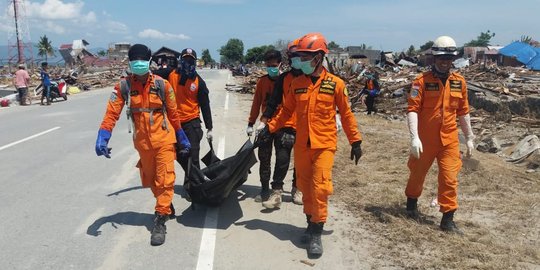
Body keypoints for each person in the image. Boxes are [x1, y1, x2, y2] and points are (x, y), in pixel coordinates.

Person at [258, 33, 363, 257]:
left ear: (319, 57)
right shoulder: (297, 84)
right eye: (300, 57)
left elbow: (346, 115)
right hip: (302, 145)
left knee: (320, 187)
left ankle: (317, 231)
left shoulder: (336, 84)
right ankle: (310, 222)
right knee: (305, 187)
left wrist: (355, 140)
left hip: (324, 144)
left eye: (306, 57)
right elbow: (286, 111)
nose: (301, 61)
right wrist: (269, 128)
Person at [95, 44, 191, 246]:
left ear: (149, 62)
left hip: (164, 139)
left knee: (165, 178)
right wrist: (103, 135)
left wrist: (181, 136)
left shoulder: (162, 85)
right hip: (143, 144)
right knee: (151, 180)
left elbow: (173, 114)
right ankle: (165, 203)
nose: (138, 64)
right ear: (130, 63)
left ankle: (160, 218)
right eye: (135, 60)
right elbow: (112, 113)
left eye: (142, 60)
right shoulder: (123, 87)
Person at [404, 36, 475, 235]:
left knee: (450, 178)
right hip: (425, 140)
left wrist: (469, 137)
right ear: (434, 58)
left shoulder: (459, 82)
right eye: (441, 57)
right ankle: (411, 204)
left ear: (453, 59)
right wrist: (414, 137)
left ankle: (448, 219)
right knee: (417, 174)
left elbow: (463, 111)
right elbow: (412, 110)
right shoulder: (421, 82)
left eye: (449, 58)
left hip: (449, 140)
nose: (445, 61)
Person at [259, 40, 303, 208]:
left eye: (300, 56)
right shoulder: (284, 79)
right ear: (289, 59)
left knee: (300, 161)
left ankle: (297, 189)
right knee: (282, 159)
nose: (297, 60)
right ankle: (276, 192)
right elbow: (273, 102)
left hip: (305, 127)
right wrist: (264, 122)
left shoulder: (313, 79)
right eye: (294, 57)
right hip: (285, 125)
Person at [166, 48, 213, 190]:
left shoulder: (199, 82)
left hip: (191, 124)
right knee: (178, 157)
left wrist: (209, 127)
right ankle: (189, 182)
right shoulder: (170, 75)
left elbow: (205, 106)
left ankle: (195, 187)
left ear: (195, 61)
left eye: (190, 60)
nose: (188, 62)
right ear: (180, 60)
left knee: (193, 157)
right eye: (185, 59)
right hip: (173, 124)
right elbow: (151, 76)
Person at [246, 49, 283, 203]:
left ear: (280, 64)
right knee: (264, 158)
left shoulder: (287, 81)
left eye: (273, 65)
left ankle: (277, 189)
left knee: (282, 159)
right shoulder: (262, 82)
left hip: (282, 125)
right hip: (264, 125)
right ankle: (264, 189)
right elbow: (256, 103)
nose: (271, 68)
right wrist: (251, 122)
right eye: (268, 65)